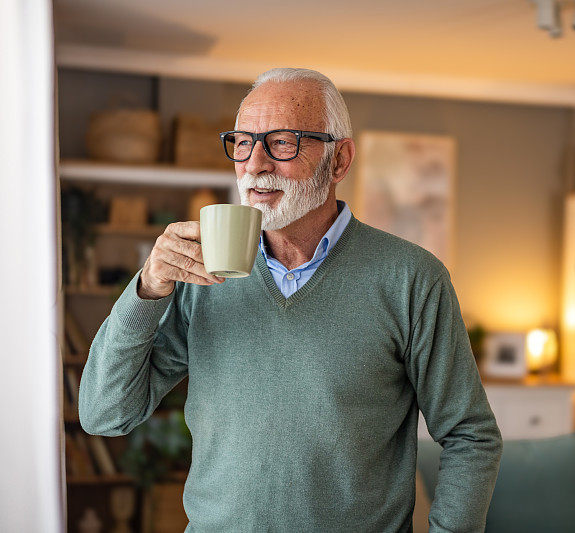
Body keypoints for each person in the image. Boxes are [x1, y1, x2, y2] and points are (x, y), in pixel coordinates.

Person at [79, 67, 503, 532]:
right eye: (243, 142)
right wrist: (147, 289)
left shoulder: (411, 278)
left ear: (339, 161)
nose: (255, 164)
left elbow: (470, 435)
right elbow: (105, 413)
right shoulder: (197, 274)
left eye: (282, 142)